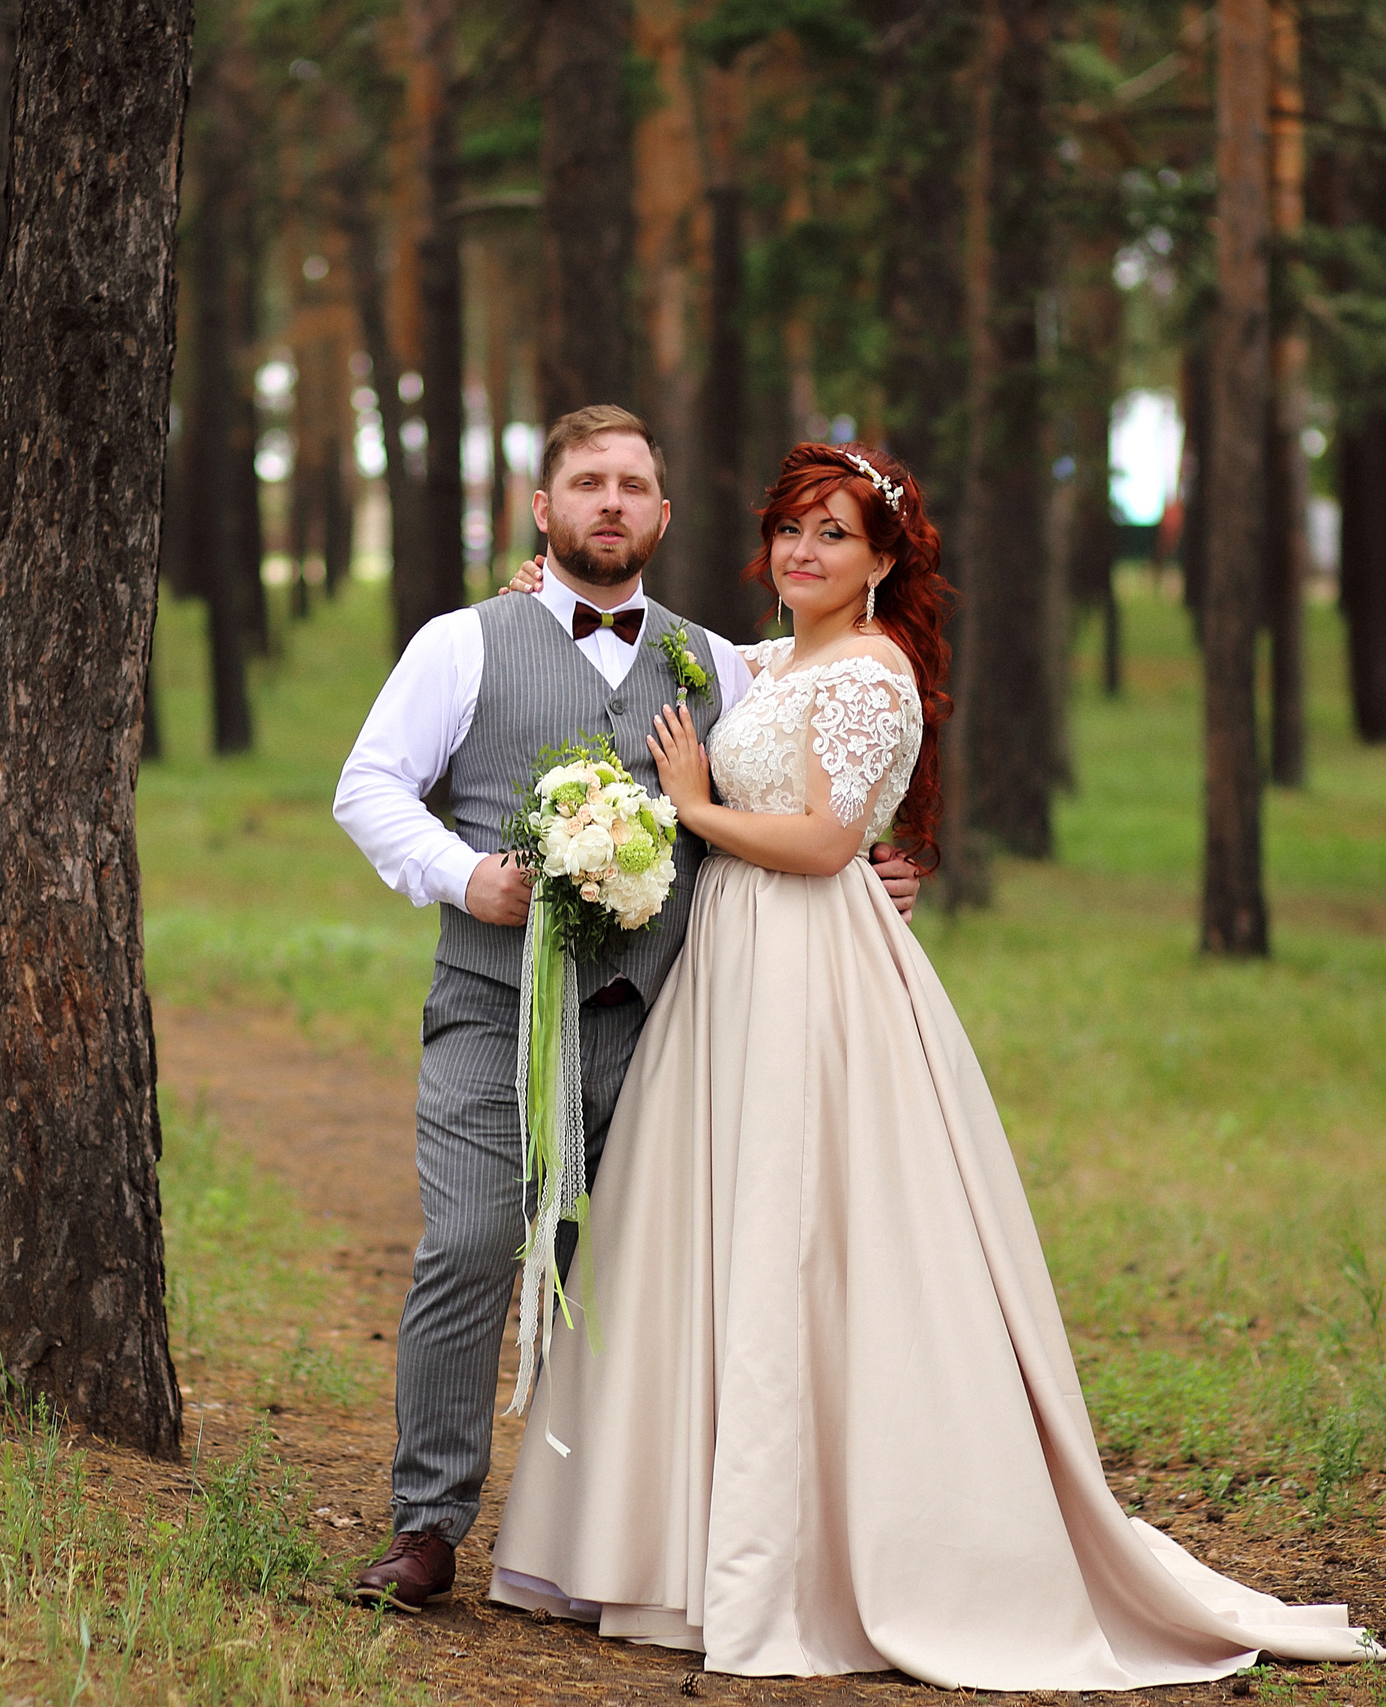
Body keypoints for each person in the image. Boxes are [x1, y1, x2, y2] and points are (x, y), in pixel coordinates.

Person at [481, 443, 1384, 1689]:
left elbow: (821, 840)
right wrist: (542, 585)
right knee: (711, 1235)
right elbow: (656, 643)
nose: (803, 553)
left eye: (834, 536)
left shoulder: (869, 672)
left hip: (807, 970)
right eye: (790, 530)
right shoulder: (770, 657)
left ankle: (810, 1555)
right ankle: (674, 1548)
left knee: (807, 1235)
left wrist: (690, 808)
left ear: (884, 558)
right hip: (731, 971)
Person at [330, 407, 926, 1613]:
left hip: (671, 1029)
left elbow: (809, 774)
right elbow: (368, 785)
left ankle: (610, 1540)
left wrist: (873, 868)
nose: (612, 501)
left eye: (634, 485)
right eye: (586, 483)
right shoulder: (463, 641)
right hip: (495, 1013)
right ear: (543, 511)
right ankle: (429, 1524)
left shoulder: (723, 661)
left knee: (645, 1276)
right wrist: (463, 875)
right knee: (472, 1243)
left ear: (661, 517)